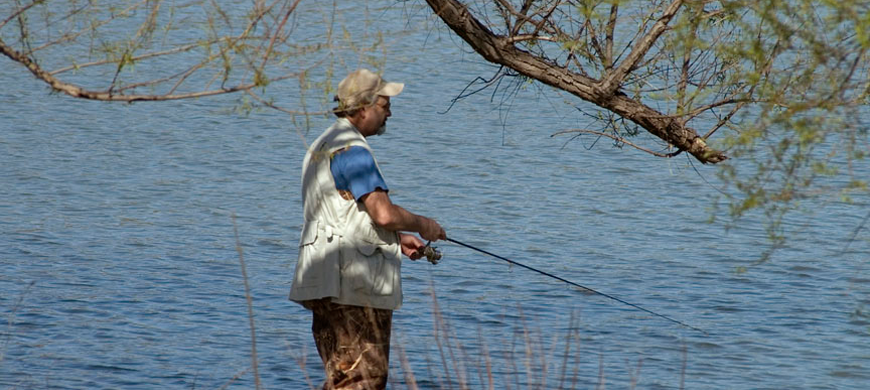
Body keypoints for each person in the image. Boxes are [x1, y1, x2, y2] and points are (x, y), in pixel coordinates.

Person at [289, 68, 446, 389]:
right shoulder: (354, 151)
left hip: (324, 283)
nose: (390, 111)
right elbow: (383, 213)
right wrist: (423, 224)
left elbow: (344, 210)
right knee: (365, 379)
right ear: (362, 109)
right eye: (383, 105)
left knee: (342, 379)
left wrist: (398, 239)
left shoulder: (323, 143)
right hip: (353, 286)